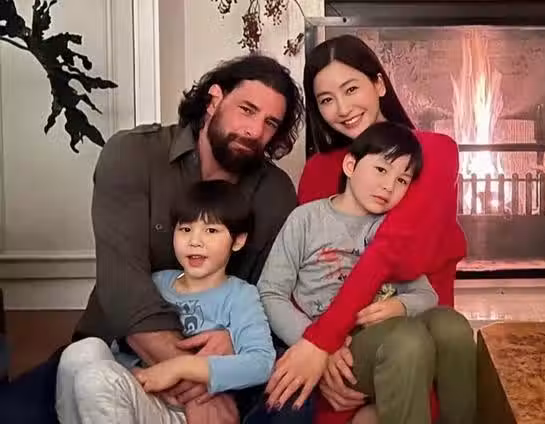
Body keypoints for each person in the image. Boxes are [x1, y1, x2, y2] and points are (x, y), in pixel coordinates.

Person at [0, 53, 307, 424]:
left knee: (295, 407)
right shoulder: (133, 154)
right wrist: (193, 381)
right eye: (247, 110)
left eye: (270, 123)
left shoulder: (274, 192)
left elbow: (267, 292)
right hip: (119, 349)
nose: (255, 131)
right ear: (214, 100)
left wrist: (231, 343)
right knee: (14, 412)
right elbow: (123, 287)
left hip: (223, 360)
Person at [265, 35, 476, 424]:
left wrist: (320, 342)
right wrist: (321, 347)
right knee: (407, 344)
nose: (343, 109)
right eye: (326, 100)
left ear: (379, 84)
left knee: (451, 330)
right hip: (352, 350)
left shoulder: (431, 151)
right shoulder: (318, 171)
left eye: (351, 89)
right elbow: (299, 278)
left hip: (418, 333)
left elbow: (393, 255)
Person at [259, 122, 445, 424]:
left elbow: (426, 294)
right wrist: (315, 344)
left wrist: (401, 305)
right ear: (350, 165)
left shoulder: (391, 229)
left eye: (402, 180)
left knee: (418, 335)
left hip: (377, 345)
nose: (389, 186)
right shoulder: (306, 219)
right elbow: (270, 292)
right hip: (324, 346)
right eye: (381, 170)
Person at [56, 180, 276, 424]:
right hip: (142, 394)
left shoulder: (241, 295)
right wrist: (134, 372)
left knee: (96, 379)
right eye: (185, 229)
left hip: (189, 412)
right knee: (81, 352)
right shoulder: (157, 283)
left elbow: (261, 363)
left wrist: (181, 367)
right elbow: (122, 349)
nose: (195, 241)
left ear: (238, 241)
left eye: (211, 231)